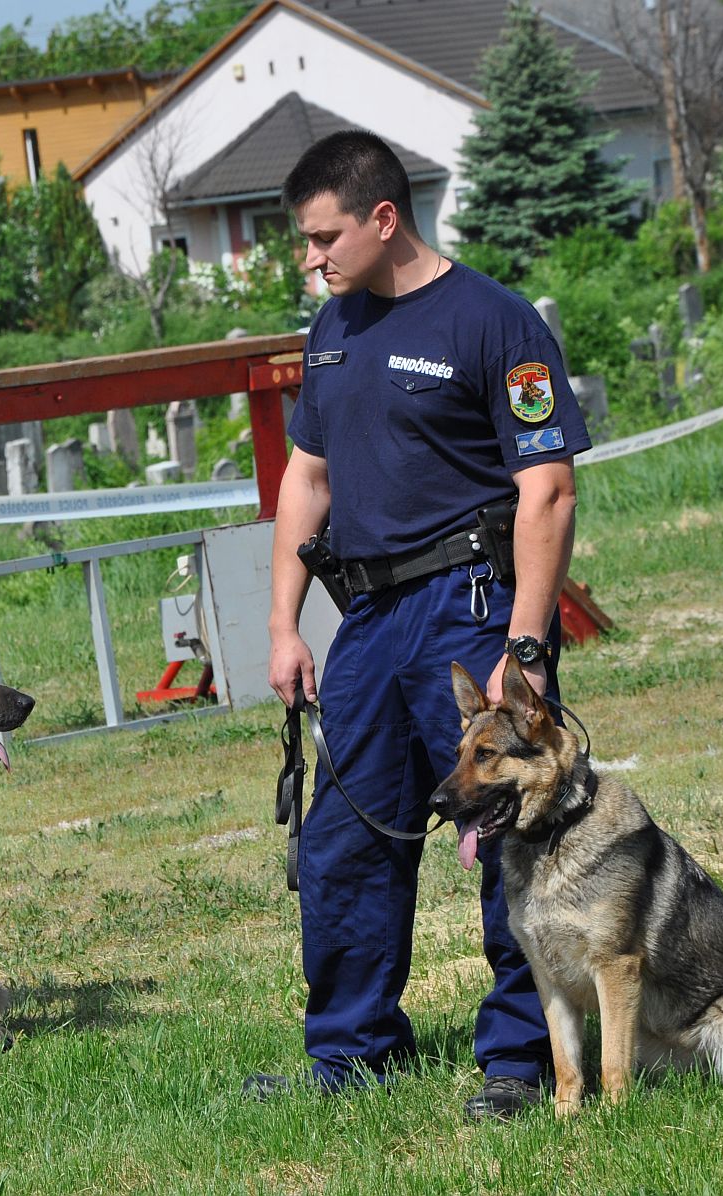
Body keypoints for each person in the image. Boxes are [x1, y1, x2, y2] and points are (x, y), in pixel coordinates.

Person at [250, 131, 590, 1118]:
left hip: (470, 607)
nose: (311, 258)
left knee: (512, 829)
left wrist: (523, 649)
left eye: (324, 237)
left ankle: (522, 1058)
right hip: (368, 615)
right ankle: (352, 1051)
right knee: (344, 837)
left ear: (384, 218)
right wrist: (282, 624)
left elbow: (549, 490)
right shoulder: (331, 330)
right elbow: (305, 481)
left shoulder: (494, 320)